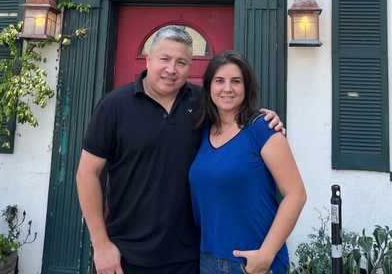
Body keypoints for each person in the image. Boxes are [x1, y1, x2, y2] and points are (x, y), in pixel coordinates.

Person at [76, 26, 283, 274]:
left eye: (181, 62)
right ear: (148, 59)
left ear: (190, 67)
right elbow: (86, 174)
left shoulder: (203, 103)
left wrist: (267, 118)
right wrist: (101, 245)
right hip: (125, 255)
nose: (171, 69)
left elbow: (236, 118)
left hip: (190, 256)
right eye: (164, 59)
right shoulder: (114, 106)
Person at [189, 50, 306, 274]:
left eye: (236, 81)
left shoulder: (261, 128)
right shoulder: (202, 132)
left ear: (246, 87)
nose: (227, 89)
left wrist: (266, 253)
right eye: (219, 81)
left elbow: (296, 194)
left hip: (252, 262)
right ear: (209, 87)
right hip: (209, 259)